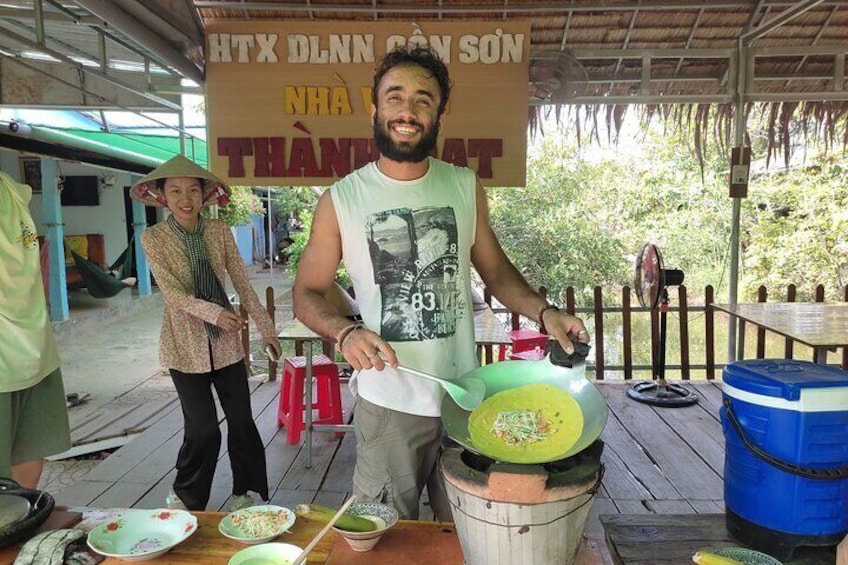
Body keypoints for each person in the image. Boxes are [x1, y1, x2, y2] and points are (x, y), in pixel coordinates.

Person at [291, 45, 590, 520]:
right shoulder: (341, 199)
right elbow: (305, 293)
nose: (407, 111)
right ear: (374, 109)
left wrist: (545, 312)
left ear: (439, 114)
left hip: (464, 400)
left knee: (469, 531)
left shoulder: (463, 186)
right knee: (384, 532)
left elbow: (496, 271)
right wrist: (345, 332)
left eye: (423, 99)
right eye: (395, 97)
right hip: (389, 403)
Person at [130, 155, 282, 512]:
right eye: (176, 191)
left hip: (226, 346)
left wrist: (267, 329)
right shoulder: (153, 238)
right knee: (203, 430)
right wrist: (214, 312)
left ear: (205, 195)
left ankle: (244, 493)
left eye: (193, 190)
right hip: (184, 346)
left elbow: (243, 285)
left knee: (242, 423)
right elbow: (173, 295)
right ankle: (187, 497)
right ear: (162, 196)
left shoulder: (218, 231)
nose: (186, 198)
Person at [0, 171, 71, 488]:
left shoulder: (11, 189)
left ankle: (19, 521)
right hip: (18, 352)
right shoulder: (13, 190)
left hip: (35, 349)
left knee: (29, 452)